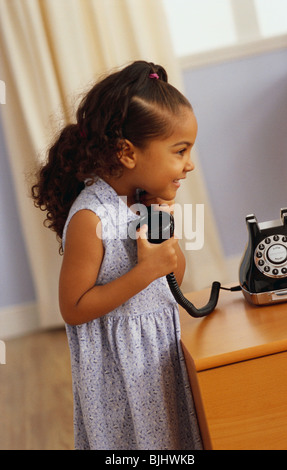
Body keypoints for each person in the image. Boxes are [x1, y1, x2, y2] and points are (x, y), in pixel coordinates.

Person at [32, 60, 202, 450]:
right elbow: (73, 307)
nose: (189, 164)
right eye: (180, 151)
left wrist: (162, 237)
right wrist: (145, 272)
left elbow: (173, 277)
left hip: (160, 355)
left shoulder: (143, 203)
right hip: (121, 375)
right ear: (127, 152)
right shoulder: (91, 217)